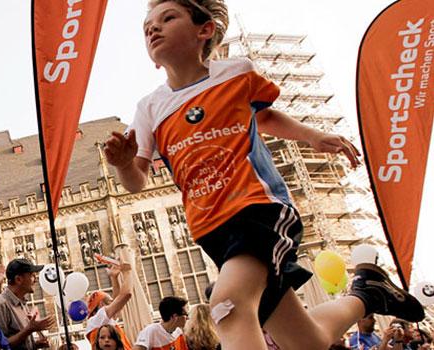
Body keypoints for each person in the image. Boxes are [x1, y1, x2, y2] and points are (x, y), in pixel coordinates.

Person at [104, 1, 425, 348]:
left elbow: (265, 116)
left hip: (258, 208)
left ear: (205, 30)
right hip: (211, 230)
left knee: (227, 305)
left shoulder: (235, 73)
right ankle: (367, 293)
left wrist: (312, 136)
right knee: (309, 342)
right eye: (147, 27)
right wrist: (123, 163)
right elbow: (136, 181)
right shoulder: (149, 108)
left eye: (168, 18)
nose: (153, 28)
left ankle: (366, 292)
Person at [0, 258, 55, 350]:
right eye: (32, 275)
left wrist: (35, 344)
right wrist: (29, 329)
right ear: (18, 279)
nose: (35, 280)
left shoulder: (22, 303)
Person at [84, 261, 134, 350]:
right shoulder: (99, 318)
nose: (112, 302)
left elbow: (116, 300)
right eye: (109, 301)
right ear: (101, 304)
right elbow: (126, 295)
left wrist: (114, 278)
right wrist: (127, 272)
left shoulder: (99, 322)